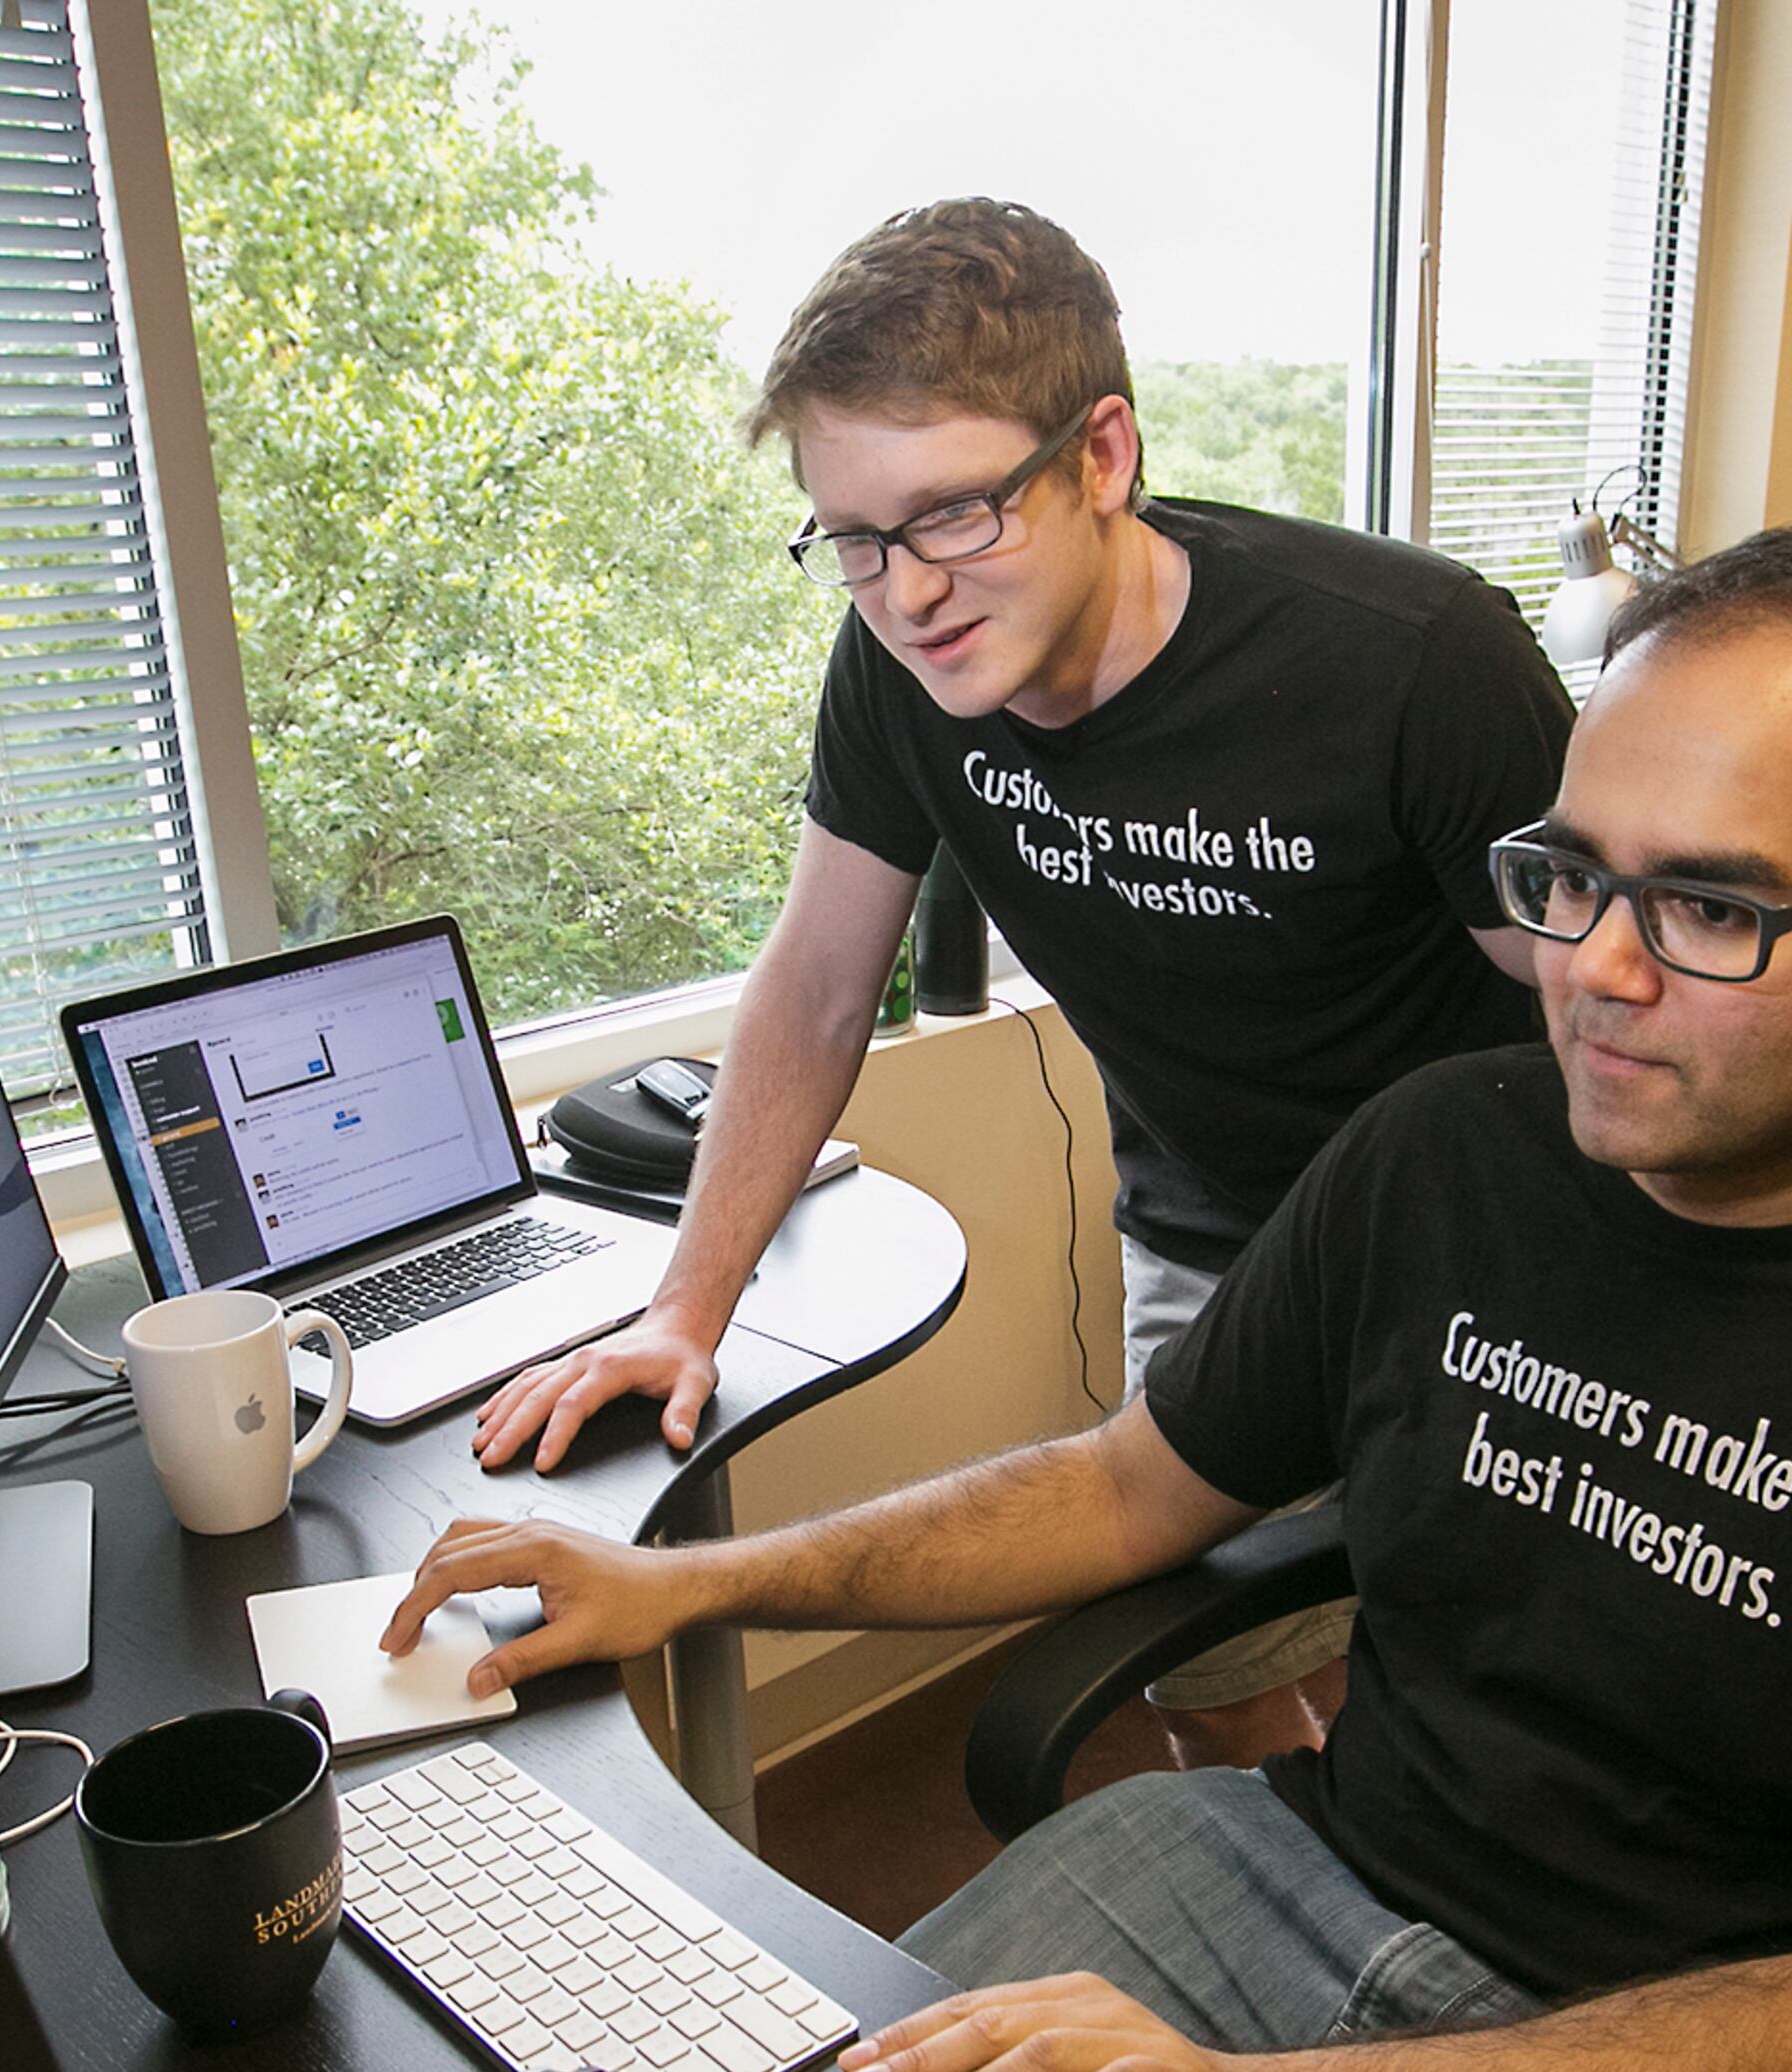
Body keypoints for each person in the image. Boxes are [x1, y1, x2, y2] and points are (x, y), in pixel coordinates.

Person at [390, 526, 1792, 2072]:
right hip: (1304, 1876)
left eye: (1712, 908)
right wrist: (688, 1584)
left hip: (1690, 2055)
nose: (1594, 974)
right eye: (1571, 877)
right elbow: (1121, 1491)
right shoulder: (1446, 1152)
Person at [470, 197, 1575, 1769]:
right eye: (855, 540)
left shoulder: (1409, 659)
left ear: (1102, 455)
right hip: (1212, 1241)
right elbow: (815, 986)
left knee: (1483, 1710)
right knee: (1214, 1683)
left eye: (954, 515)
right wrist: (683, 1312)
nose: (907, 591)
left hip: (1485, 1246)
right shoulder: (901, 674)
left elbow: (1600, 1007)